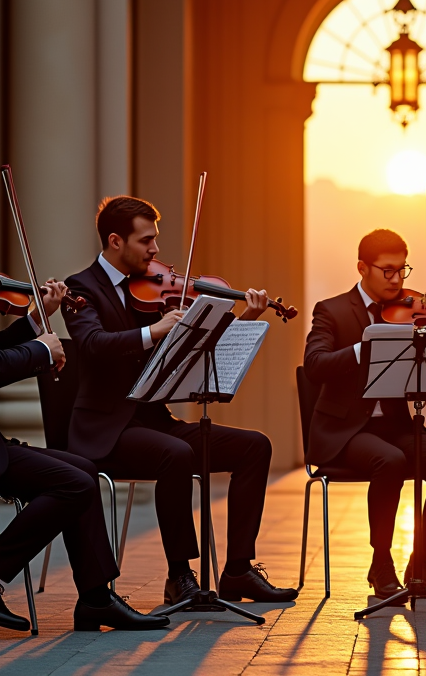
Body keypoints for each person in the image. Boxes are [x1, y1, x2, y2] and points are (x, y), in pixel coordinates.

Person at [0, 181, 166, 633]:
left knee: (82, 469)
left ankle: (96, 598)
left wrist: (36, 322)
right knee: (74, 484)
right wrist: (43, 348)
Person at [63, 195, 298, 607]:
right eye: (146, 240)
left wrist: (245, 318)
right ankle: (180, 576)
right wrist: (155, 332)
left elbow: (193, 351)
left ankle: (238, 570)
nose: (155, 251)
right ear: (115, 241)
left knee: (254, 446)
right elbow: (92, 345)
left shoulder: (150, 291)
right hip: (106, 431)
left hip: (154, 420)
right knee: (176, 454)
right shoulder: (80, 288)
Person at [302, 229, 426, 601]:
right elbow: (314, 365)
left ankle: (421, 565)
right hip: (344, 431)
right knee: (389, 461)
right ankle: (381, 563)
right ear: (362, 267)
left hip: (395, 425)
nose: (396, 280)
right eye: (387, 271)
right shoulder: (331, 310)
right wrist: (366, 346)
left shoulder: (413, 311)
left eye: (402, 270)